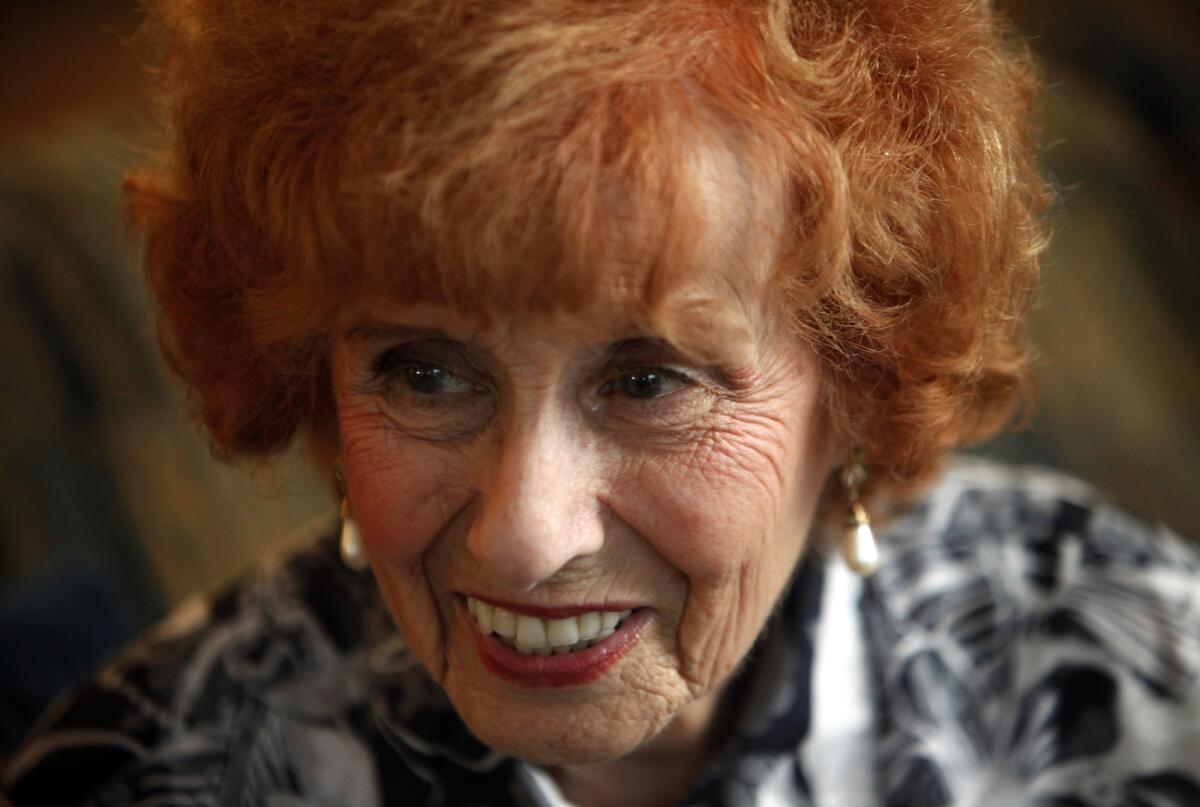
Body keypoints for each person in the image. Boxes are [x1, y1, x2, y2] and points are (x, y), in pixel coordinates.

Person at [4, 1, 1199, 804]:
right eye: (424, 373)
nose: (525, 534)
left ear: (860, 378)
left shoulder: (1132, 671)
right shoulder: (150, 770)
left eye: (647, 382)